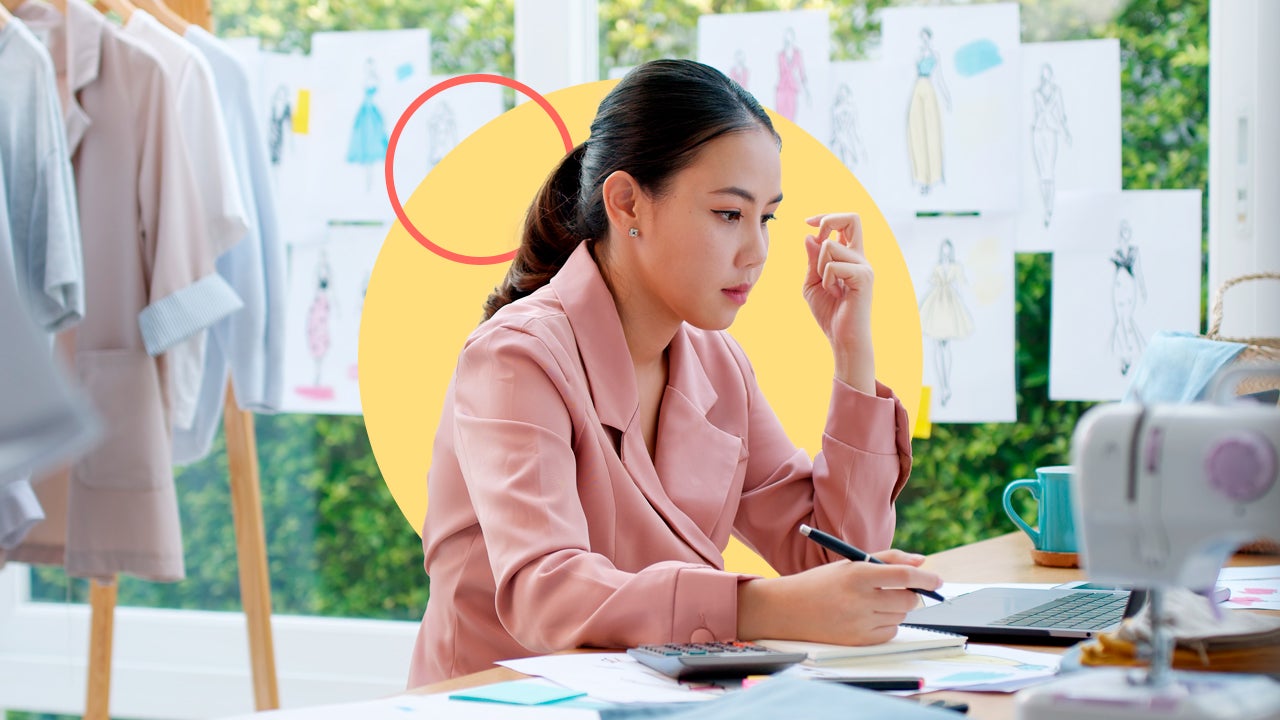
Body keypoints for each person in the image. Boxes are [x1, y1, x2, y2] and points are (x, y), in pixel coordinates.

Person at [407, 59, 939, 686]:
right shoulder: (517, 357)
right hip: (502, 701)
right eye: (727, 214)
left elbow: (830, 555)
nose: (757, 253)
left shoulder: (715, 363)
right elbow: (544, 590)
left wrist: (853, 354)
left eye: (765, 218)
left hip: (658, 699)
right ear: (627, 202)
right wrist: (758, 606)